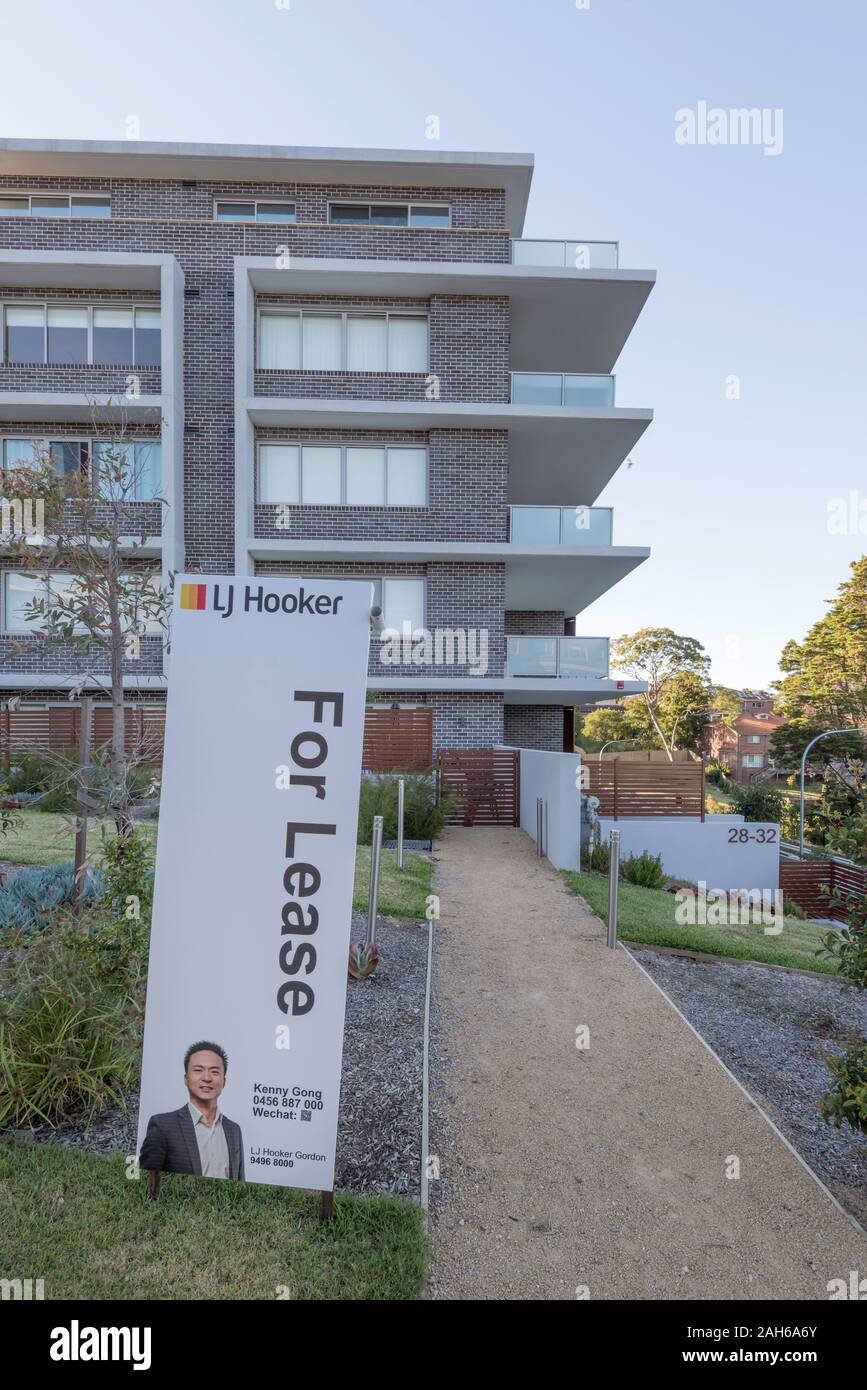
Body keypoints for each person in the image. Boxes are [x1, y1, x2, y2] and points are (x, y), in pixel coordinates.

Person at [139, 1041, 245, 1181]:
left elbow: (241, 1184)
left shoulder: (234, 1130)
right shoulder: (163, 1126)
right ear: (186, 1079)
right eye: (198, 1070)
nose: (206, 1078)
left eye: (214, 1072)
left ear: (224, 1081)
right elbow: (144, 1180)